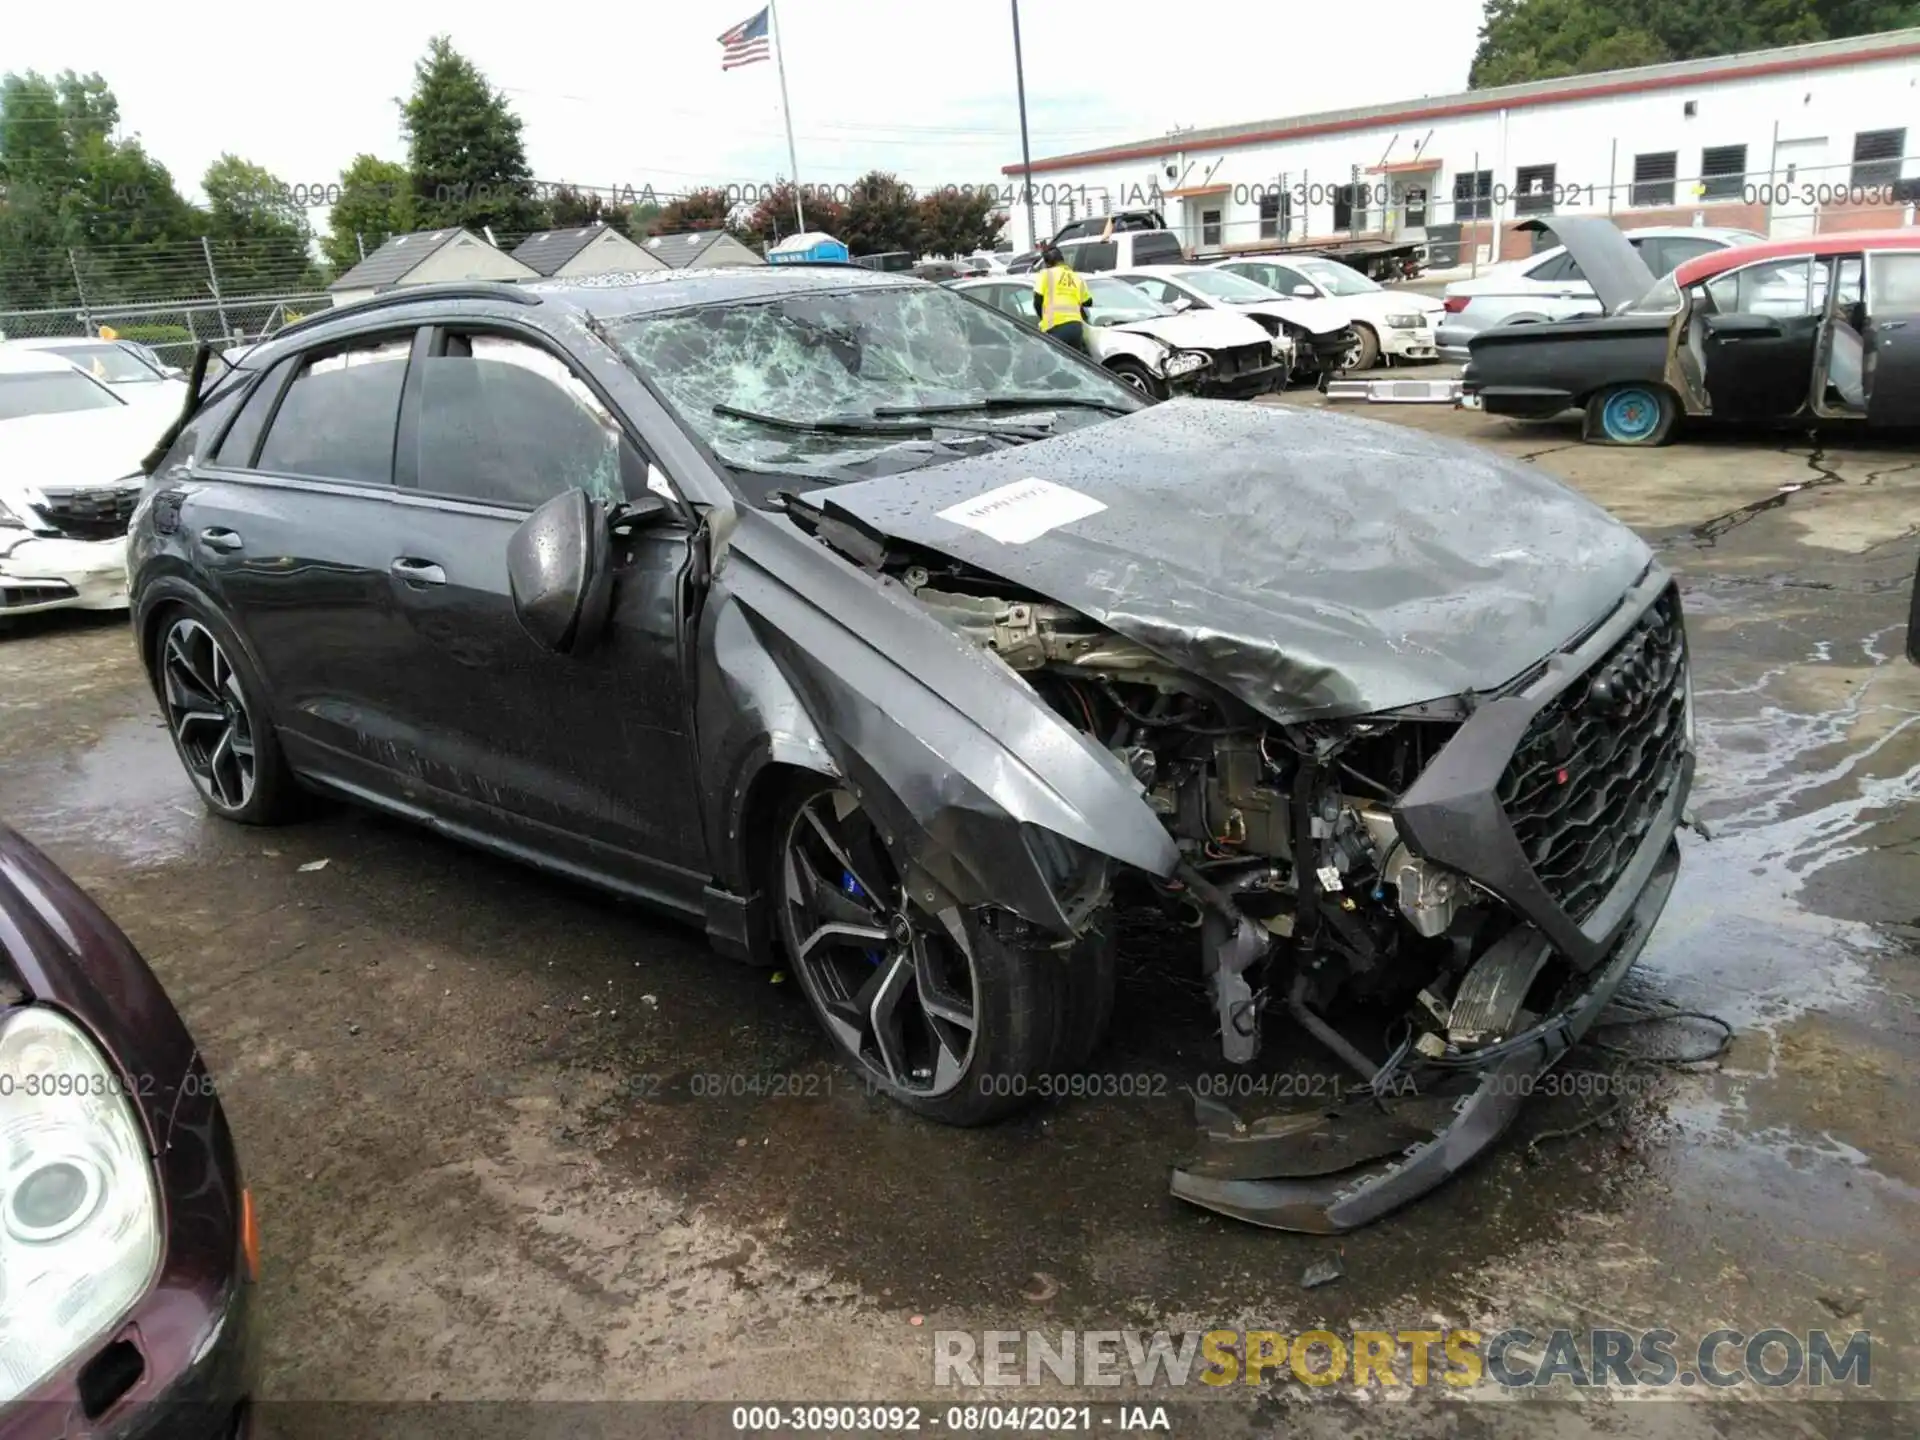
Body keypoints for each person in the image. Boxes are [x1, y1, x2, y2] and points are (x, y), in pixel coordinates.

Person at [1032, 243, 1093, 353]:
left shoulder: (1046, 274)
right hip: (1076, 327)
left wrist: (1042, 319)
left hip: (1055, 327)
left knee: (1057, 363)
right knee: (1074, 363)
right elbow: (1088, 302)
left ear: (1047, 263)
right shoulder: (1076, 277)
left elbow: (1037, 301)